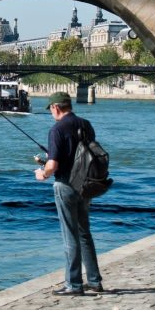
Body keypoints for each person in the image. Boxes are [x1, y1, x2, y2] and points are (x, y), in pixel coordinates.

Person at [34, 91, 104, 296]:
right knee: (84, 233)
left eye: (51, 110)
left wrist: (43, 173)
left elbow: (53, 165)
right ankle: (94, 281)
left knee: (70, 236)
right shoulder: (86, 124)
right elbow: (81, 153)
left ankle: (73, 284)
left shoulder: (57, 129)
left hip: (65, 185)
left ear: (55, 107)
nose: (51, 113)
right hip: (87, 185)